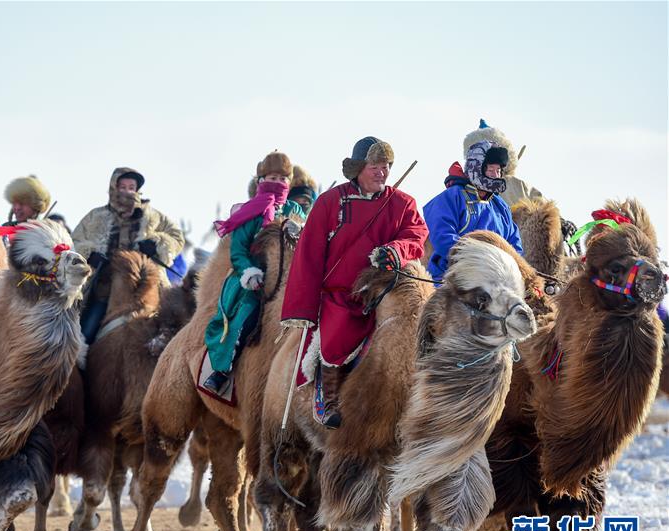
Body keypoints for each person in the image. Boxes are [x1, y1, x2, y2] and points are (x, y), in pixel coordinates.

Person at [280, 137, 428, 429]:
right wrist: (303, 307)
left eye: (386, 166)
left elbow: (416, 234)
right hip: (341, 296)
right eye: (375, 166)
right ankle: (327, 397)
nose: (381, 172)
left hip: (385, 289)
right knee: (338, 332)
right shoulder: (329, 202)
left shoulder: (402, 203)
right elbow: (308, 255)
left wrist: (395, 252)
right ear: (359, 168)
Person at [202, 151, 307, 394]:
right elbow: (238, 250)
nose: (278, 183)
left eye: (283, 179)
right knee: (246, 313)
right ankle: (222, 370)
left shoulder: (296, 210)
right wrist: (249, 272)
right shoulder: (250, 211)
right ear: (261, 180)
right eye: (272, 177)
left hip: (289, 276)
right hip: (252, 278)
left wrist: (300, 228)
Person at [72, 167, 184, 343]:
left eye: (131, 187)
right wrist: (88, 253)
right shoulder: (95, 216)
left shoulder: (153, 216)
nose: (127, 191)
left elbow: (177, 237)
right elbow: (74, 242)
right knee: (84, 336)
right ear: (113, 187)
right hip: (104, 289)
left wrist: (156, 244)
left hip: (145, 288)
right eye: (122, 186)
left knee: (166, 334)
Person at [424, 123, 524, 280]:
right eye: (491, 170)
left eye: (498, 171)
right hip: (453, 278)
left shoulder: (500, 207)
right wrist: (479, 262)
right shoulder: (450, 198)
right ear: (476, 168)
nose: (496, 175)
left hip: (498, 280)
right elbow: (443, 239)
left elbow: (514, 246)